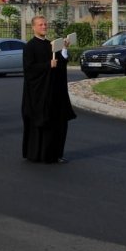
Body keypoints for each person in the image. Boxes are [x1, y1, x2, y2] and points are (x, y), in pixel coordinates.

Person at [22, 16, 76, 164]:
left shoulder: (51, 45)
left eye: (45, 24)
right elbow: (29, 69)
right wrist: (47, 65)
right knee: (41, 124)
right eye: (41, 25)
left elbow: (60, 65)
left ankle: (55, 154)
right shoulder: (30, 47)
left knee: (57, 122)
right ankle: (37, 154)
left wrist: (64, 49)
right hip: (38, 94)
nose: (44, 27)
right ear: (33, 27)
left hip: (53, 93)